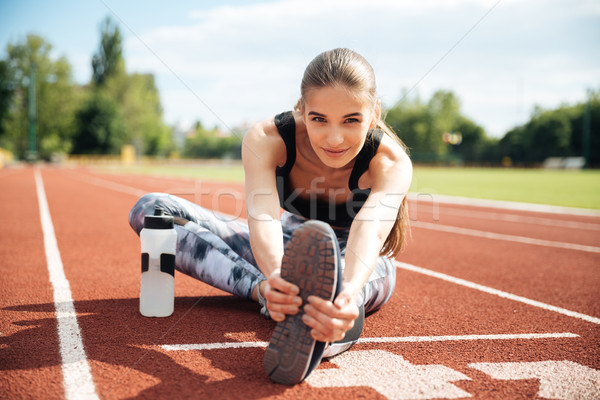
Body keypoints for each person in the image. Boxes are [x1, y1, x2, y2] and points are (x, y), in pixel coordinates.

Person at [128, 48, 412, 385]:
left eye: (351, 120)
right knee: (151, 211)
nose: (334, 138)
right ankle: (263, 292)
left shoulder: (390, 162)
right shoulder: (267, 139)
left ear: (374, 113)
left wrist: (349, 292)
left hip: (360, 259)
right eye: (319, 118)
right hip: (289, 243)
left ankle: (333, 321)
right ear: (301, 110)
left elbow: (371, 230)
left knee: (337, 294)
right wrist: (276, 277)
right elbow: (263, 217)